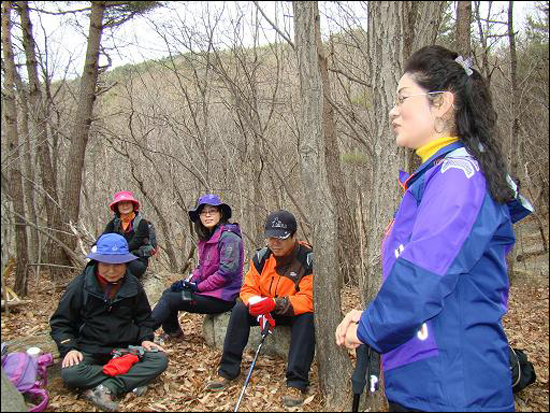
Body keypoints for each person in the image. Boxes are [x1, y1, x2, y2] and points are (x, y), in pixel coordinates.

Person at [335, 45, 533, 412]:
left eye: (403, 98)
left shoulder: (459, 176)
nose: (393, 111)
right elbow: (431, 279)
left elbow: (422, 280)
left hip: (455, 390)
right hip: (426, 382)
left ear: (442, 103)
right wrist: (372, 318)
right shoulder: (435, 178)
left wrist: (369, 328)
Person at [206, 210, 315, 408]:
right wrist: (257, 304)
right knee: (240, 309)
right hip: (265, 307)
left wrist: (276, 304)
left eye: (281, 238)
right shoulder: (261, 257)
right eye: (271, 238)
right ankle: (228, 371)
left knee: (307, 317)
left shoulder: (307, 259)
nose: (275, 243)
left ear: (294, 236)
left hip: (291, 310)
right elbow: (247, 288)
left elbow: (308, 299)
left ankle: (297, 382)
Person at [50, 233, 168, 412]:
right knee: (71, 373)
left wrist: (145, 338)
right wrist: (69, 348)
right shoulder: (80, 286)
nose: (111, 271)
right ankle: (126, 382)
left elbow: (144, 318)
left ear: (126, 264)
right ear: (97, 262)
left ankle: (108, 387)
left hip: (126, 349)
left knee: (159, 360)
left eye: (118, 265)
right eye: (106, 264)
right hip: (90, 349)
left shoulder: (133, 285)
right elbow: (60, 322)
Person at [151, 194, 244, 341]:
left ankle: (142, 333)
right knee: (169, 292)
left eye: (212, 211)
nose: (207, 215)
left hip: (223, 297)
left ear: (220, 213)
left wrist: (197, 287)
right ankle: (173, 332)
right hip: (208, 292)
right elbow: (201, 268)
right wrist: (187, 283)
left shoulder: (229, 238)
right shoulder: (207, 238)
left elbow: (226, 273)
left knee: (170, 299)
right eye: (203, 212)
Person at [100, 191, 154, 278]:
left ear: (133, 205)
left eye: (128, 203)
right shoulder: (114, 222)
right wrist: (95, 246)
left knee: (136, 268)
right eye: (121, 204)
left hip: (136, 258)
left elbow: (135, 242)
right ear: (117, 207)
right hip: (116, 255)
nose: (125, 206)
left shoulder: (142, 223)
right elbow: (104, 236)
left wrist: (117, 253)